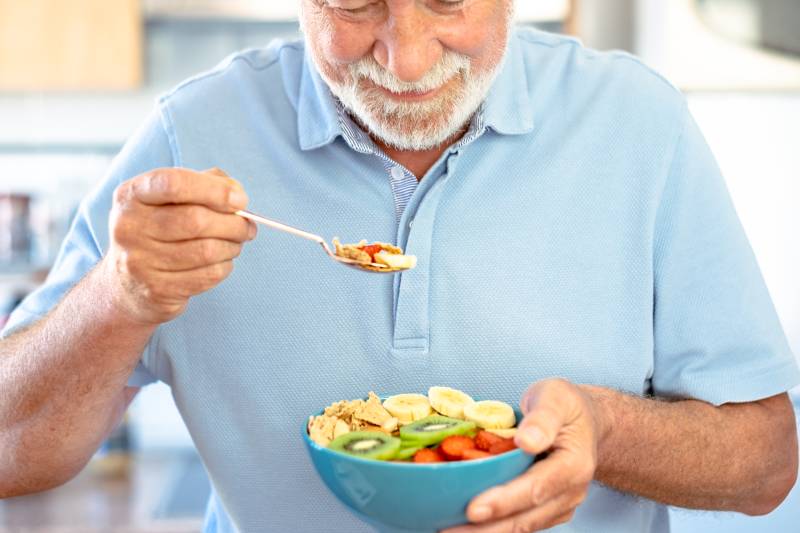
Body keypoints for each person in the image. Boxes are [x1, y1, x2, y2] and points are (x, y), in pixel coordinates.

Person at [1, 1, 798, 531]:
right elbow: (11, 450)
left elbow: (766, 463)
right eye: (356, 1)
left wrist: (607, 430)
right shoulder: (191, 133)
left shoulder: (639, 126)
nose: (407, 61)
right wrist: (117, 297)